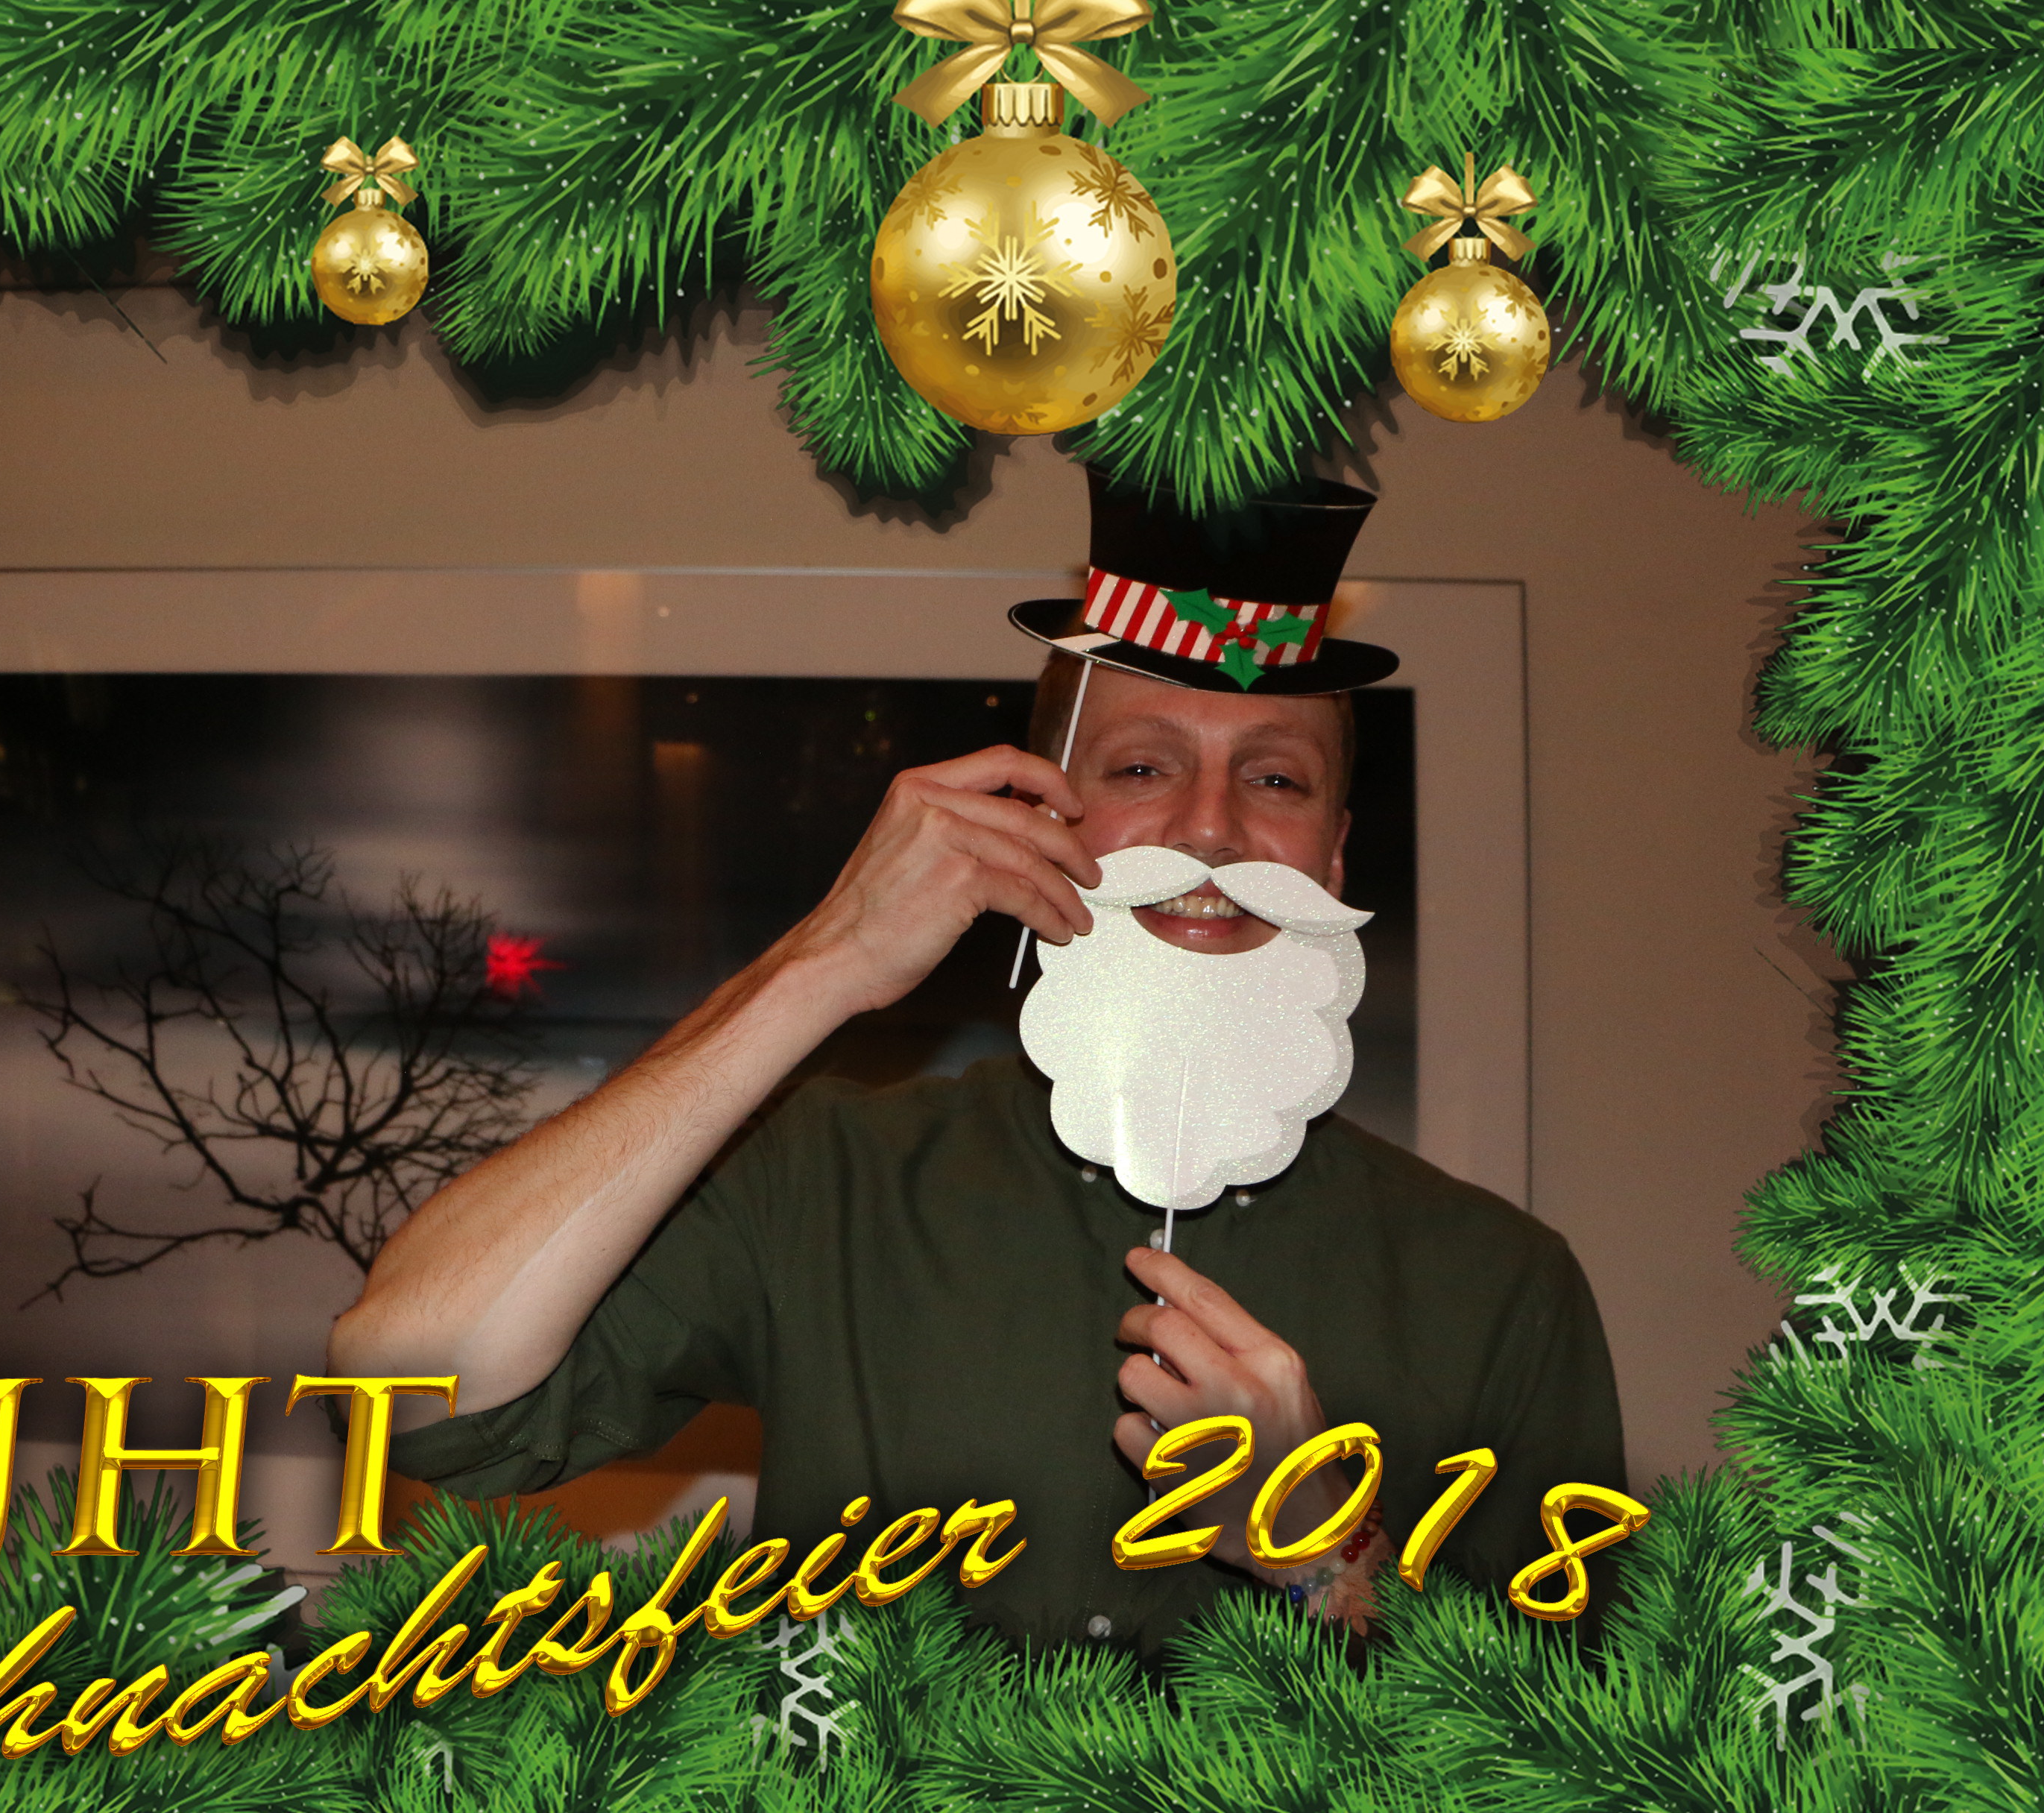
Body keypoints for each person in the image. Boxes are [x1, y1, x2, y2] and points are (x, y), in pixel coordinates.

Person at [328, 473, 1625, 1654]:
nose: (1211, 829)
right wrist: (825, 960)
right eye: (1142, 766)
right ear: (1043, 815)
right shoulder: (827, 1183)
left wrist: (1321, 1551)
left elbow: (1589, 1757)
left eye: (1275, 780)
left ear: (1332, 858)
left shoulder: (1503, 1289)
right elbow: (410, 1388)